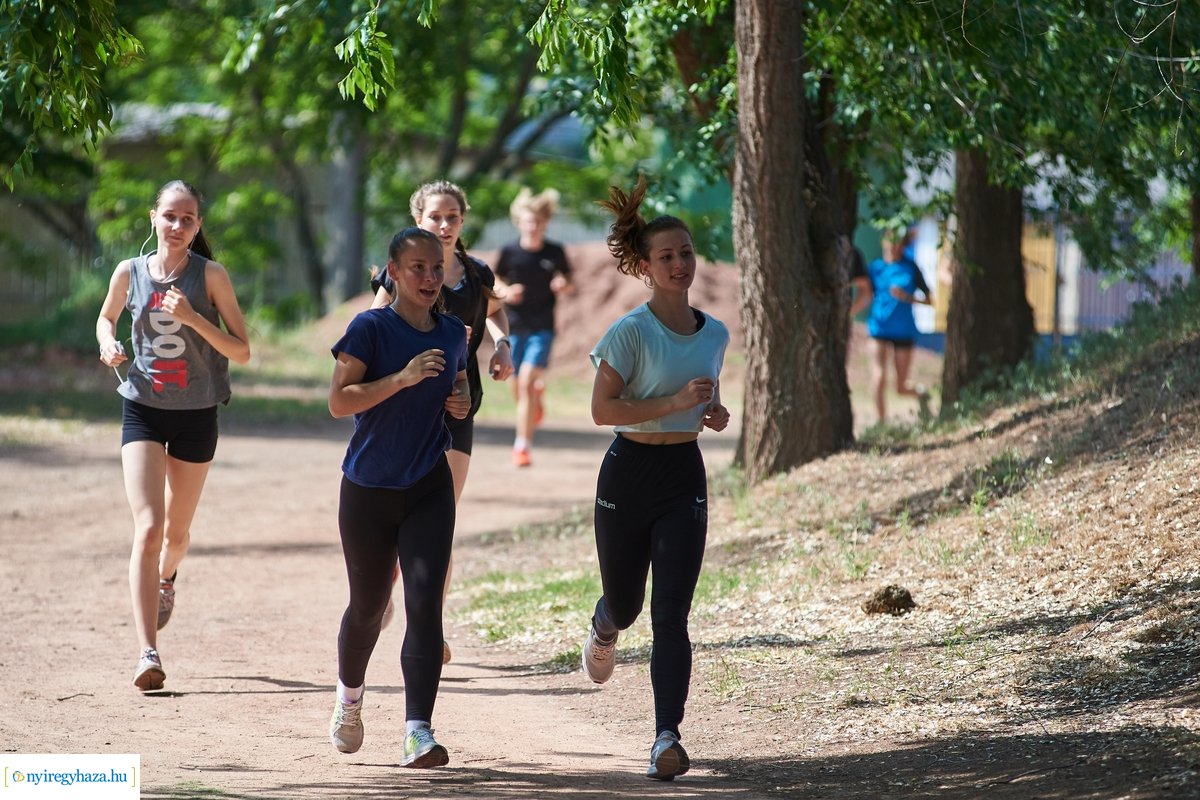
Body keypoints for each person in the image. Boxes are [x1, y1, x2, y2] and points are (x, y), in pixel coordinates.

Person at [580, 179, 730, 781]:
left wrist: (712, 414)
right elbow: (603, 411)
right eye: (666, 256)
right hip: (628, 472)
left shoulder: (715, 333)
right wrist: (673, 401)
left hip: (682, 475)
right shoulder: (630, 332)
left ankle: (667, 737)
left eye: (686, 253)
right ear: (645, 267)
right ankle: (604, 625)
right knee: (627, 604)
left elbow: (706, 400)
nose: (679, 264)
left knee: (671, 616)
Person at [96, 179, 251, 692]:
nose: (178, 226)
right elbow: (106, 317)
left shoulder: (211, 276)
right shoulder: (129, 271)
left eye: (188, 218)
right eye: (170, 216)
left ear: (198, 224)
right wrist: (107, 344)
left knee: (176, 535)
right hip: (142, 409)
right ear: (153, 218)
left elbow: (242, 350)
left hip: (196, 415)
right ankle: (148, 652)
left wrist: (192, 318)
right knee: (148, 527)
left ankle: (168, 577)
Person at [327, 226, 469, 768]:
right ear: (393, 272)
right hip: (368, 488)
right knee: (368, 608)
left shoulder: (453, 332)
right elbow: (339, 401)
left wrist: (460, 399)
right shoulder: (370, 328)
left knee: (425, 604)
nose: (430, 278)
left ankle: (418, 731)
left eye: (436, 268)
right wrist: (403, 379)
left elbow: (458, 382)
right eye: (417, 268)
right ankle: (349, 700)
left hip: (429, 484)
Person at [370, 181, 514, 664]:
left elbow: (497, 310)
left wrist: (503, 346)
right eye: (435, 216)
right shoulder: (399, 273)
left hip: (457, 409)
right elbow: (371, 328)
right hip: (405, 411)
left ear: (462, 221)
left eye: (452, 216)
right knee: (397, 514)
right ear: (418, 220)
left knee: (440, 519)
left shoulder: (476, 274)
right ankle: (384, 582)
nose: (445, 225)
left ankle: (431, 625)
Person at [493, 187, 574, 467]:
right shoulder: (509, 252)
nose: (533, 226)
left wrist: (562, 284)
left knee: (526, 380)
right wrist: (506, 291)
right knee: (516, 384)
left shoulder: (555, 251)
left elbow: (569, 280)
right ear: (519, 222)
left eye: (538, 221)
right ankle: (535, 402)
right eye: (529, 220)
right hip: (514, 326)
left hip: (542, 327)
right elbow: (495, 280)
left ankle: (522, 446)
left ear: (545, 222)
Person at [866, 227, 933, 423]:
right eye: (891, 242)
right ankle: (881, 424)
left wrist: (907, 297)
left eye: (898, 243)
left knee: (901, 387)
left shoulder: (911, 267)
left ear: (903, 245)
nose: (894, 247)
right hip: (878, 328)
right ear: (884, 243)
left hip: (904, 330)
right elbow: (866, 294)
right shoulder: (875, 268)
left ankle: (922, 395)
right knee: (878, 379)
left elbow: (930, 300)